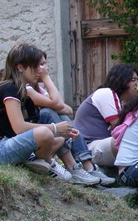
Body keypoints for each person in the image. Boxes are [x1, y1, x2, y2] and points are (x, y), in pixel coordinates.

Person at [0, 44, 77, 180]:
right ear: (20, 67)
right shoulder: (9, 88)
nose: (42, 70)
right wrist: (55, 128)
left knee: (59, 139)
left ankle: (36, 161)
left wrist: (61, 132)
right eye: (37, 65)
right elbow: (19, 127)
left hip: (8, 142)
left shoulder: (21, 90)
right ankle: (42, 162)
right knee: (45, 133)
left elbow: (63, 107)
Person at [24, 51, 101, 185]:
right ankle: (74, 166)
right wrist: (46, 78)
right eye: (41, 64)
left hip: (40, 131)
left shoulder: (38, 89)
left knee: (62, 116)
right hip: (28, 133)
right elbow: (57, 104)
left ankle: (86, 165)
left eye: (45, 64)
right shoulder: (26, 87)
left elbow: (67, 109)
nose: (45, 69)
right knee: (48, 113)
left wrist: (52, 104)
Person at [73, 64, 138, 184]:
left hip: (100, 145)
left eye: (137, 79)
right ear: (122, 80)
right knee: (127, 138)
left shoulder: (120, 100)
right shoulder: (106, 93)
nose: (137, 84)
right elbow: (119, 128)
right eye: (133, 80)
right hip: (88, 149)